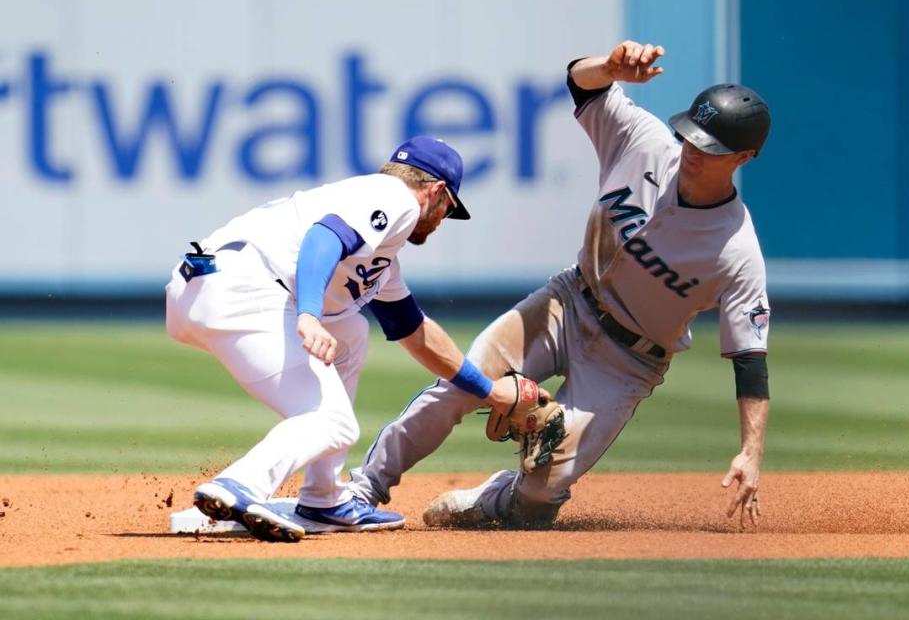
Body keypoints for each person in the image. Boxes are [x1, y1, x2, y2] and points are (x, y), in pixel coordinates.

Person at [349, 41, 773, 530]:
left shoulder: (736, 249)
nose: (695, 150)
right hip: (567, 302)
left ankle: (493, 498)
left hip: (629, 360)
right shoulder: (643, 141)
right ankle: (363, 486)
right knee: (457, 386)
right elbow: (580, 82)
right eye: (692, 136)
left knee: (538, 500)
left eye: (712, 147)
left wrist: (750, 452)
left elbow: (750, 361)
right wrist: (608, 67)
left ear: (744, 156)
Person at [165, 137, 545, 542]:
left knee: (351, 332)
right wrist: (309, 314)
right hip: (244, 286)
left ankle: (323, 498)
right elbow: (324, 238)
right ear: (436, 192)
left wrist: (489, 392)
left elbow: (417, 334)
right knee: (334, 422)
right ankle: (239, 484)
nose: (441, 221)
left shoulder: (381, 251)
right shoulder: (394, 197)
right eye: (449, 209)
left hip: (203, 287)